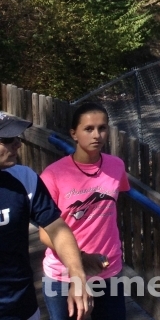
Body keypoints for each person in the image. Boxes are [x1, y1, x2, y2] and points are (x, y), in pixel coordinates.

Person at [39, 103, 131, 320]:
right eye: (88, 129)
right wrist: (81, 259)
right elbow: (45, 232)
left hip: (108, 269)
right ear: (74, 134)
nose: (97, 135)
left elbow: (116, 204)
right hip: (63, 275)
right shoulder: (53, 175)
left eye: (102, 128)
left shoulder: (116, 166)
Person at [0, 112, 90, 320]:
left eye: (17, 138)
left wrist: (77, 275)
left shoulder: (25, 178)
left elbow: (56, 228)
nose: (17, 144)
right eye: (7, 140)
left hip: (21, 306)